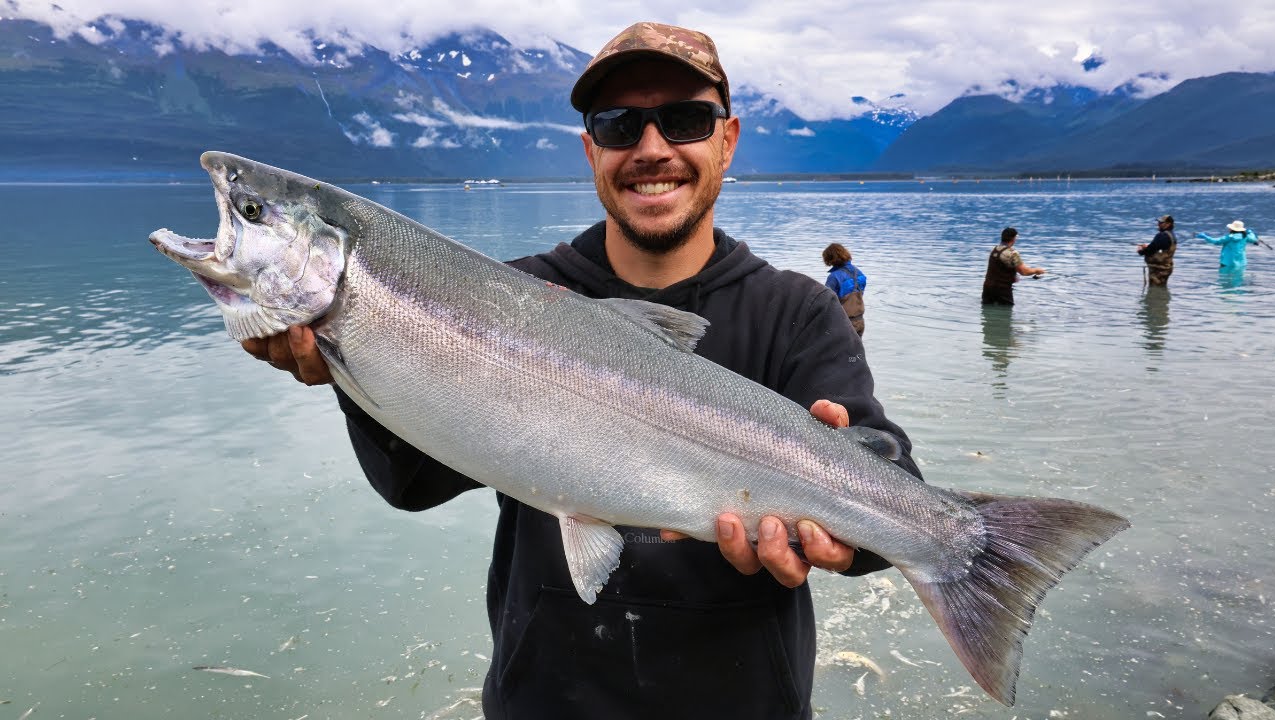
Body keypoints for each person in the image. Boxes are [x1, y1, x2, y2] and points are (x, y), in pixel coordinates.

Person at [239, 21, 921, 720]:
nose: (651, 149)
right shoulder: (507, 297)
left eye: (684, 120)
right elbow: (411, 484)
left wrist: (843, 535)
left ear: (727, 138)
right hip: (541, 701)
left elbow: (898, 502)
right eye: (619, 125)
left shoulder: (797, 311)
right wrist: (352, 360)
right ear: (591, 149)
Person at [981, 226, 1045, 305]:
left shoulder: (994, 249)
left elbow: (1000, 267)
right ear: (1013, 238)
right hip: (1002, 289)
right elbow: (1024, 272)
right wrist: (1036, 270)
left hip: (987, 288)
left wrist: (1014, 275)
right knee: (1006, 312)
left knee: (987, 310)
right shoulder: (1012, 253)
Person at [822, 242, 867, 335]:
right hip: (860, 321)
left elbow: (826, 301)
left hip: (844, 324)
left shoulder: (834, 277)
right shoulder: (859, 273)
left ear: (830, 259)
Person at [1137, 215, 1177, 286]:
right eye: (1158, 222)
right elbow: (1158, 247)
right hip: (1167, 268)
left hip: (1158, 270)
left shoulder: (1162, 236)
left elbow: (1150, 250)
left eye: (1161, 223)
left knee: (1154, 289)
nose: (1158, 224)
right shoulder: (1172, 235)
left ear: (1168, 224)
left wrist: (1141, 250)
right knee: (1161, 287)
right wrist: (1148, 247)